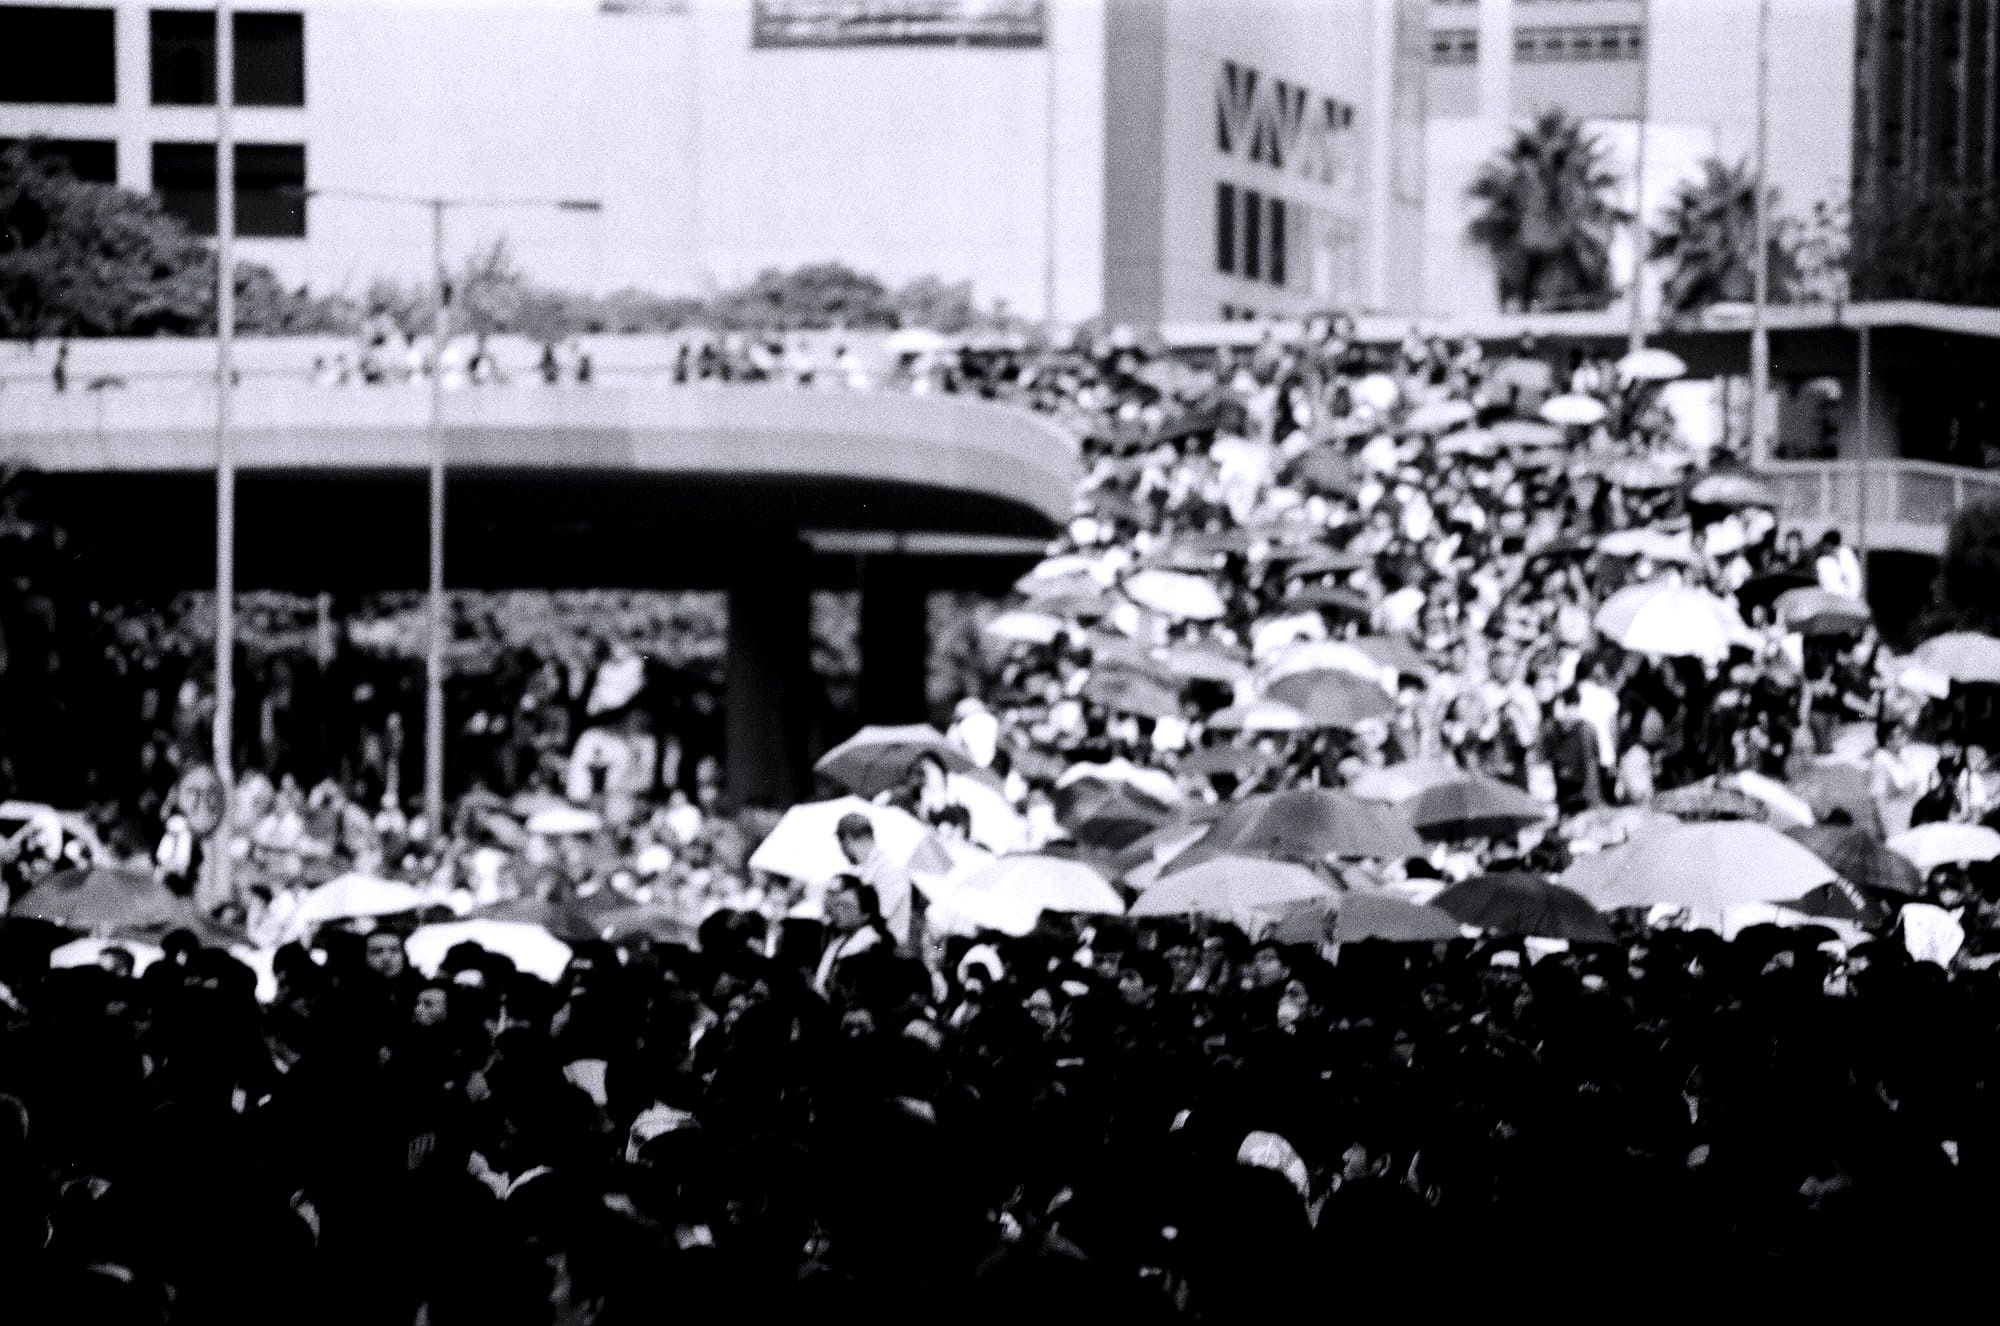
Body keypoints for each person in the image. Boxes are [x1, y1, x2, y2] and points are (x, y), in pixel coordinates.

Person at [835, 811, 913, 947]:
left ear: (847, 839)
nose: (842, 851)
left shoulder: (889, 870)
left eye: (841, 842)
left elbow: (879, 916)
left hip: (885, 950)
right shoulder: (866, 869)